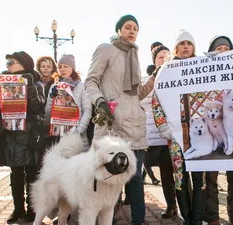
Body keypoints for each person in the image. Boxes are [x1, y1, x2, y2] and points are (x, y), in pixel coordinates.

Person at [85, 14, 155, 225]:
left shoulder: (135, 55)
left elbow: (136, 94)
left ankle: (139, 221)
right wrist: (101, 102)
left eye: (135, 28)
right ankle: (106, 221)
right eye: (127, 26)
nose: (132, 30)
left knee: (136, 181)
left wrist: (156, 76)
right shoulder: (107, 49)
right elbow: (91, 81)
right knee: (108, 180)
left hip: (136, 126)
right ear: (118, 30)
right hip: (112, 126)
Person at [152, 29, 205, 225]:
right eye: (182, 43)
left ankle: (197, 219)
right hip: (175, 134)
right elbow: (156, 100)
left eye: (189, 44)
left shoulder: (203, 66)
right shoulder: (166, 70)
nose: (185, 47)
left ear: (193, 48)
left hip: (200, 132)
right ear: (175, 48)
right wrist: (162, 125)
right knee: (181, 177)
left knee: (200, 178)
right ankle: (187, 217)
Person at [0, 51, 45, 223]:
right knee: (15, 175)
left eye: (12, 61)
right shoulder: (2, 83)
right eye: (7, 61)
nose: (8, 64)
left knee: (31, 174)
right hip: (10, 136)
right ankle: (18, 210)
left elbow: (38, 107)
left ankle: (32, 209)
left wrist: (28, 84)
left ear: (24, 64)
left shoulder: (36, 83)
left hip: (28, 136)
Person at [203, 35, 233, 225]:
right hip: (213, 134)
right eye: (218, 48)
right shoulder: (204, 71)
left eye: (226, 48)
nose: (223, 51)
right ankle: (212, 218)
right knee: (210, 180)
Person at [143, 43, 178, 218]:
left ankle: (186, 205)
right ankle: (171, 204)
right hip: (159, 136)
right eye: (160, 57)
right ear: (155, 61)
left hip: (179, 134)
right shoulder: (150, 81)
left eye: (167, 55)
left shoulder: (179, 75)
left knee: (182, 173)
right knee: (165, 171)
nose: (164, 59)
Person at [44, 54, 92, 150]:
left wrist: (78, 132)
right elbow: (48, 113)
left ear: (72, 68)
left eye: (66, 66)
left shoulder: (81, 86)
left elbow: (87, 111)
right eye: (60, 67)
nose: (62, 69)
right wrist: (52, 98)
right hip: (59, 135)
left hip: (78, 137)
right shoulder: (54, 86)